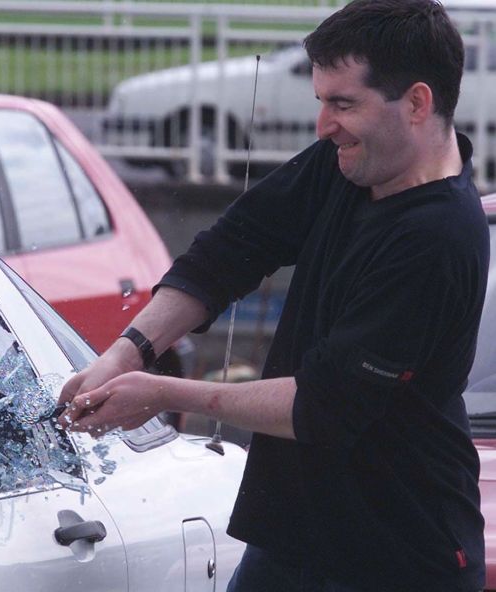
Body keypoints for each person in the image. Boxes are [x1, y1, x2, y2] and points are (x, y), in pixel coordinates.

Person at [59, 1, 488, 590]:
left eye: (343, 104)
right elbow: (228, 250)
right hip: (290, 541)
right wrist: (126, 353)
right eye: (320, 102)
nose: (324, 125)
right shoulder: (346, 165)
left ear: (417, 103)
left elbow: (322, 404)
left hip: (397, 558)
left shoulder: (437, 239)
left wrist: (159, 392)